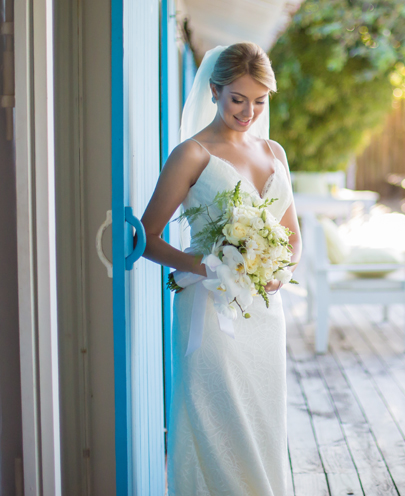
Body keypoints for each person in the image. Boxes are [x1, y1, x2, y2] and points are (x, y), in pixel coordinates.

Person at [140, 42, 300, 495]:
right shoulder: (191, 154)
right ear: (214, 91)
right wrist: (206, 266)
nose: (249, 112)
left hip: (264, 313)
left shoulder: (274, 152)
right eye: (238, 99)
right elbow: (147, 237)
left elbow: (292, 237)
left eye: (259, 101)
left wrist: (281, 272)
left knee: (262, 419)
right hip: (210, 312)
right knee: (214, 418)